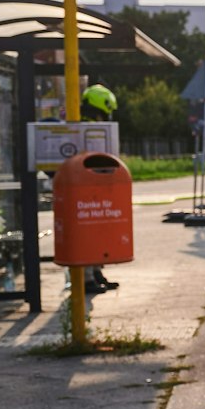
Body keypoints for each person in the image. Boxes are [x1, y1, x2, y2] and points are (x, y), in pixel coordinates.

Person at [79, 84, 120, 293]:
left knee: (96, 231)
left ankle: (95, 272)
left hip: (92, 186)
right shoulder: (86, 128)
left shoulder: (89, 125)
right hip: (85, 188)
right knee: (87, 233)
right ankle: (87, 278)